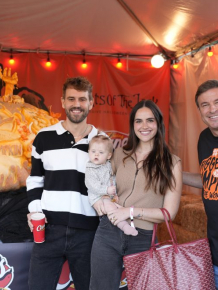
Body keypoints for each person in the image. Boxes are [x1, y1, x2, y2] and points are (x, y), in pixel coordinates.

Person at [90, 99, 182, 290]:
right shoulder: (118, 154)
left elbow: (169, 213)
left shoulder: (171, 163)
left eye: (150, 120)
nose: (144, 126)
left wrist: (129, 212)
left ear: (158, 123)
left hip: (144, 239)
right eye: (138, 121)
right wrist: (103, 201)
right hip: (108, 232)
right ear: (133, 125)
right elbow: (100, 184)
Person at [26, 76, 101, 290]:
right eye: (71, 99)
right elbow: (35, 179)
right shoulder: (43, 137)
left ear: (91, 102)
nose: (76, 105)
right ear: (62, 102)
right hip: (49, 230)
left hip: (88, 233)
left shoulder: (102, 141)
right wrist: (35, 211)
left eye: (82, 99)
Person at [183, 79, 218, 289]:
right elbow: (208, 180)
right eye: (205, 105)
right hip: (215, 252)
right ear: (199, 110)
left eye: (217, 102)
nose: (212, 109)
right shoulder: (204, 138)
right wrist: (171, 173)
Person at [85, 134, 138, 236]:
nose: (96, 155)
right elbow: (92, 185)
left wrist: (114, 194)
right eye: (93, 152)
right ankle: (124, 226)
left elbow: (112, 178)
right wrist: (107, 190)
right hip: (98, 197)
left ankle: (126, 220)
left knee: (118, 206)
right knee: (110, 208)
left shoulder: (108, 164)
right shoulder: (90, 168)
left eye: (101, 152)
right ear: (88, 152)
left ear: (109, 155)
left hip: (109, 194)